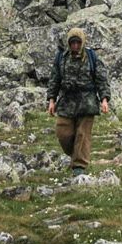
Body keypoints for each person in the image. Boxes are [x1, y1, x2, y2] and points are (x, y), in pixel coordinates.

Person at [46, 28, 110, 176]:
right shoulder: (61, 58)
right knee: (63, 133)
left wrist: (104, 99)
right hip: (67, 101)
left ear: (82, 42)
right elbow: (54, 80)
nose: (75, 45)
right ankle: (75, 153)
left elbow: (101, 79)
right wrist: (51, 100)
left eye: (78, 42)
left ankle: (79, 167)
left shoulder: (91, 57)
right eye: (72, 42)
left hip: (87, 101)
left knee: (83, 134)